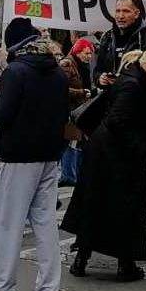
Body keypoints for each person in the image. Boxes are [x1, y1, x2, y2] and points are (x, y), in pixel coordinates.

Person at [0, 18, 68, 291]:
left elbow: (2, 116)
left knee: (6, 225)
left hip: (18, 156)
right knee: (45, 223)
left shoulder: (16, 72)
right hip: (50, 154)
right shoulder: (57, 72)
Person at [63, 46, 146, 282]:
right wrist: (139, 147)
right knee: (126, 209)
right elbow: (118, 121)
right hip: (119, 156)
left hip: (103, 152)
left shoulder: (128, 80)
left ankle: (82, 259)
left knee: (95, 205)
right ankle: (126, 264)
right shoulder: (134, 86)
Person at [93, 0, 146, 90]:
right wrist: (100, 79)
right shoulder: (107, 37)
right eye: (118, 11)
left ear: (136, 13)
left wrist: (124, 81)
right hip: (111, 100)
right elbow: (97, 70)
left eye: (126, 11)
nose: (120, 16)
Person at [57, 40, 92, 187]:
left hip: (76, 109)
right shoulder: (67, 64)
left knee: (75, 141)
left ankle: (72, 173)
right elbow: (61, 87)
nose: (89, 56)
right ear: (78, 51)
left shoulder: (80, 65)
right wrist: (82, 93)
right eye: (87, 53)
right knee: (71, 141)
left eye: (91, 53)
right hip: (69, 110)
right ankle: (68, 174)